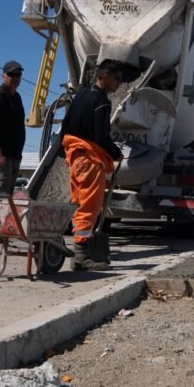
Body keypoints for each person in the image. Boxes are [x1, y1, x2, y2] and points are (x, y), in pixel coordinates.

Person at [60, 59, 124, 271]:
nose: (119, 83)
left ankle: (81, 249)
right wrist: (116, 153)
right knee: (90, 206)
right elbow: (101, 136)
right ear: (104, 76)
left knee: (79, 203)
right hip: (90, 160)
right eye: (117, 78)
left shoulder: (81, 95)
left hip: (75, 157)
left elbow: (65, 125)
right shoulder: (102, 101)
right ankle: (82, 255)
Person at [0, 60, 26, 197]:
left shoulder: (17, 97)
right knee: (1, 196)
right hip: (1, 156)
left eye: (18, 75)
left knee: (8, 197)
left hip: (14, 156)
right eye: (11, 74)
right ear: (3, 76)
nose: (15, 78)